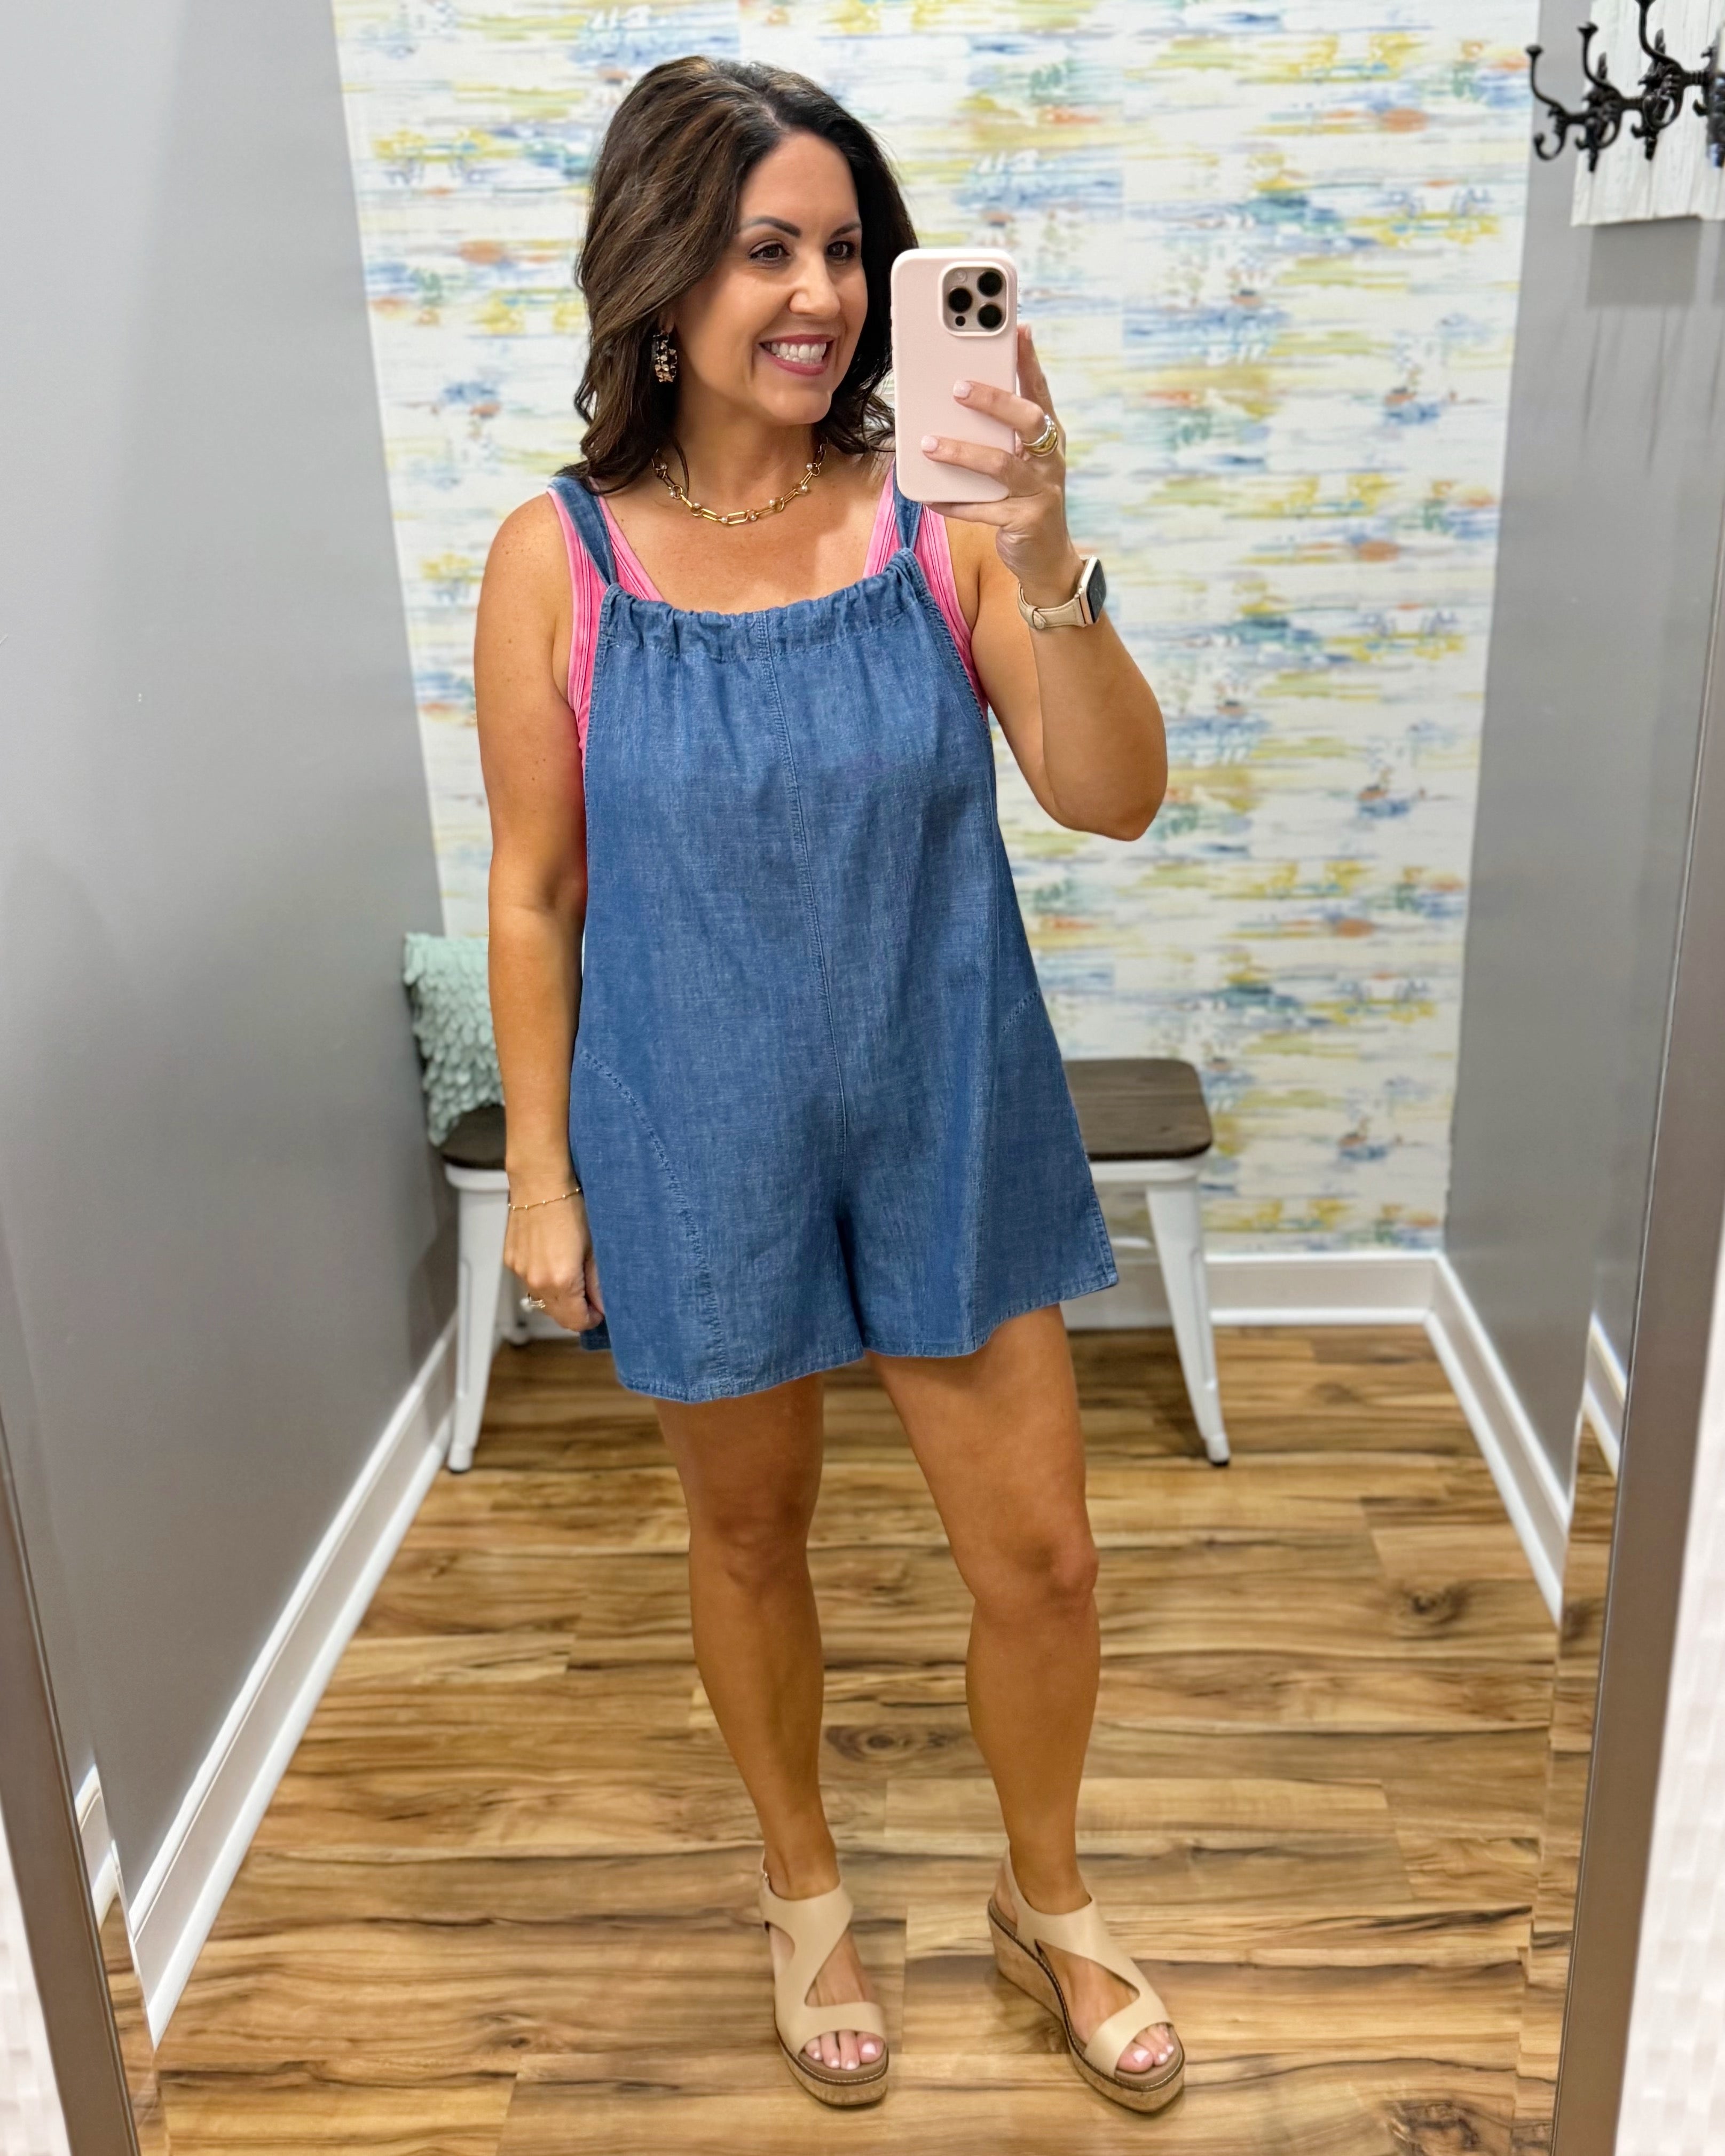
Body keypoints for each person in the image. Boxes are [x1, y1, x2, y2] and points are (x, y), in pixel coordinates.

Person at [474, 53, 1180, 2116]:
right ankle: (804, 1896)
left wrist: (1048, 552)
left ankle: (1046, 1900)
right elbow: (532, 893)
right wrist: (544, 1176)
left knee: (1043, 1561)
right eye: (764, 249)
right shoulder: (558, 561)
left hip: (947, 1108)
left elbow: (1111, 797)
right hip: (695, 1132)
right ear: (659, 274)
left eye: (848, 250)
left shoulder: (939, 528)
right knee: (750, 1537)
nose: (821, 295)